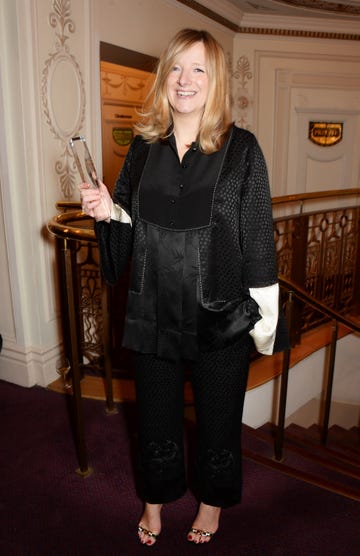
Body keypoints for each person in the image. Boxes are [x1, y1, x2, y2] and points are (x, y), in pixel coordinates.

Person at [79, 28, 288, 546]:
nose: (185, 79)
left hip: (220, 315)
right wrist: (109, 212)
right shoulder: (144, 148)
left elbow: (259, 237)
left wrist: (264, 324)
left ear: (215, 82)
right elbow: (132, 222)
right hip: (154, 309)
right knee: (154, 418)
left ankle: (211, 504)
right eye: (176, 67)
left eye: (199, 69)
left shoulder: (242, 150)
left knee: (218, 420)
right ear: (164, 77)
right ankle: (154, 503)